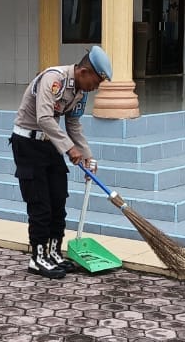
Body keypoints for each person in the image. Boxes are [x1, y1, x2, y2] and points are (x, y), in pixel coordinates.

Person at [11, 46, 112, 278]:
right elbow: (44, 118)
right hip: (28, 143)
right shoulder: (53, 79)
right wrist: (69, 148)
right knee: (41, 204)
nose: (95, 88)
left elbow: (74, 124)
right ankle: (37, 258)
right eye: (95, 82)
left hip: (51, 144)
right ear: (84, 72)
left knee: (58, 200)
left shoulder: (80, 92)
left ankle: (54, 252)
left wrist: (87, 156)